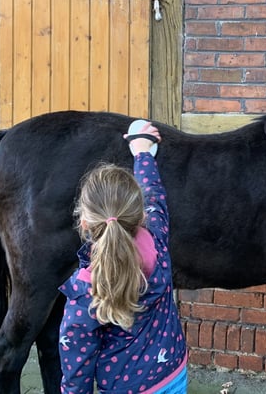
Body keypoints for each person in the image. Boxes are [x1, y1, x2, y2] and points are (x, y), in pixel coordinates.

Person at [58, 120, 187, 394]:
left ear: (83, 224)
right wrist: (142, 152)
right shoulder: (158, 241)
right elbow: (153, 194)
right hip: (172, 373)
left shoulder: (83, 293)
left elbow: (76, 373)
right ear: (141, 215)